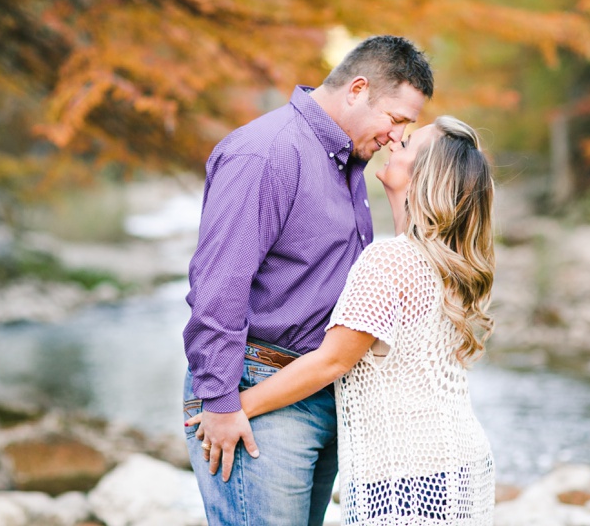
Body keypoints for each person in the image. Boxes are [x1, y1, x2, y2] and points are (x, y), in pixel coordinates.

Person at [190, 116, 497, 525]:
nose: (393, 144)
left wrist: (228, 409)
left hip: (407, 479)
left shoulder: (391, 260)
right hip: (459, 462)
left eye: (405, 145)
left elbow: (333, 361)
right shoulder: (445, 263)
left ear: (425, 176)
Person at [182, 35, 435, 525]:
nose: (397, 137)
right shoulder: (266, 153)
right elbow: (219, 286)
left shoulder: (349, 163)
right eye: (397, 119)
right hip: (256, 389)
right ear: (358, 89)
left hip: (319, 388)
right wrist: (220, 402)